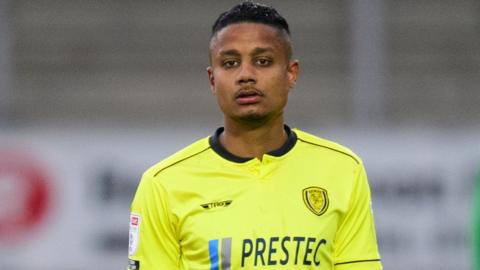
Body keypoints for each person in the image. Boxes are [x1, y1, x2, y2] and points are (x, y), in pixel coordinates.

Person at [128, 2, 382, 269]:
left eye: (263, 61)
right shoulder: (163, 185)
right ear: (213, 79)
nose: (246, 75)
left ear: (291, 73)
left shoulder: (342, 170)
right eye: (230, 63)